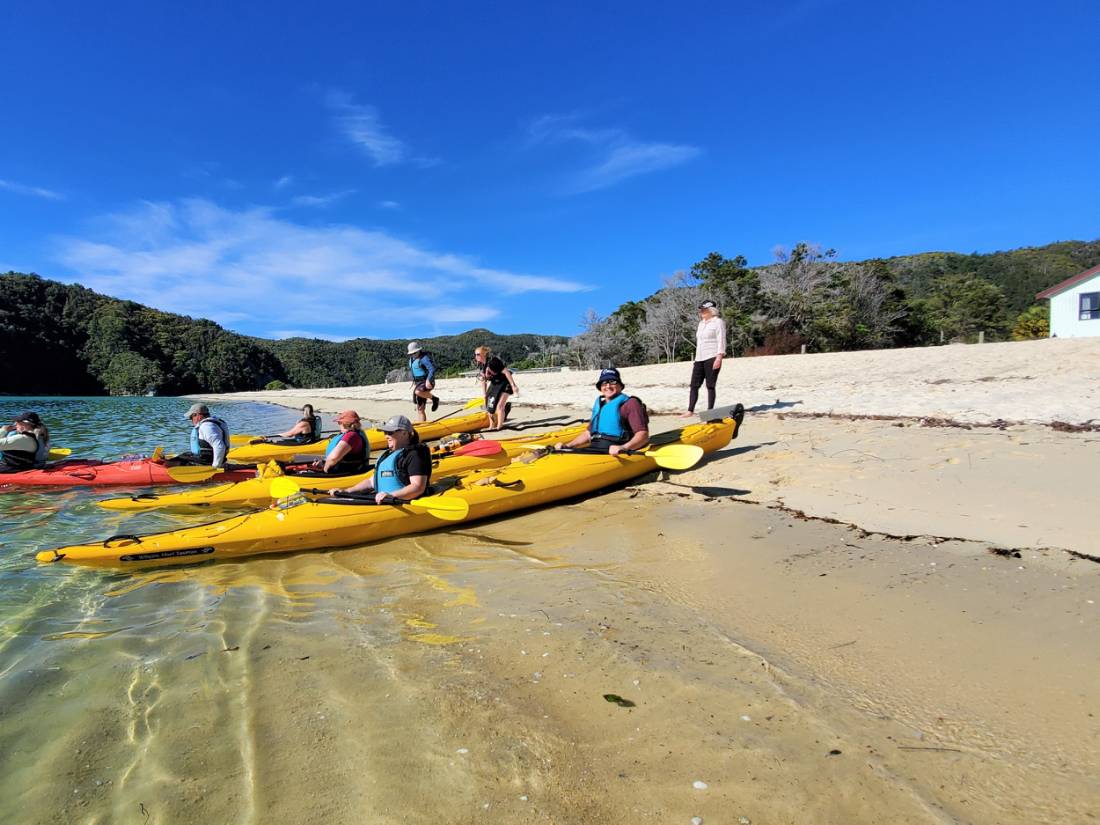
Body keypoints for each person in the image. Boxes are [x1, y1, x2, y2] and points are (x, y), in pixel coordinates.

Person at [333, 415, 431, 503]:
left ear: (404, 433)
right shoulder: (389, 454)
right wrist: (347, 491)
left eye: (390, 432)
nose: (386, 436)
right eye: (385, 432)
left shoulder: (415, 455)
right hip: (384, 500)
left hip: (400, 501)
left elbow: (418, 487)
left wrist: (392, 496)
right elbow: (372, 482)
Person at [555, 368, 649, 456]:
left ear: (620, 386)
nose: (608, 386)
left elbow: (643, 435)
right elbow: (588, 433)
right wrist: (568, 445)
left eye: (612, 382)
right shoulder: (601, 405)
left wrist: (624, 447)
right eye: (604, 383)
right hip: (596, 448)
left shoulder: (631, 403)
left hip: (616, 450)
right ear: (600, 388)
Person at [681, 300, 727, 417]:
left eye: (704, 310)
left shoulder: (718, 322)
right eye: (701, 310)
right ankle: (690, 410)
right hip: (699, 357)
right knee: (694, 385)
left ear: (712, 311)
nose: (702, 312)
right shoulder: (701, 323)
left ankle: (710, 411)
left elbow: (721, 340)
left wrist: (719, 357)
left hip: (712, 356)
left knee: (710, 385)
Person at [309, 410, 369, 475]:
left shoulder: (351, 436)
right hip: (345, 469)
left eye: (339, 423)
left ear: (343, 423)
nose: (338, 425)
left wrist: (324, 470)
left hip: (345, 473)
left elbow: (333, 458)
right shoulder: (355, 433)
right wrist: (323, 463)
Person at [474, 346, 519, 430]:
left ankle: (499, 426)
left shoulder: (493, 361)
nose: (476, 356)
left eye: (478, 354)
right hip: (495, 383)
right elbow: (483, 380)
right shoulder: (482, 365)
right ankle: (491, 426)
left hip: (505, 382)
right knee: (489, 406)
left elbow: (506, 372)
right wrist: (484, 394)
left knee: (500, 406)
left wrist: (513, 385)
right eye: (475, 354)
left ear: (484, 354)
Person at [179, 403, 231, 467]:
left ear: (198, 415)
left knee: (171, 462)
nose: (191, 420)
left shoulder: (206, 426)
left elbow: (219, 446)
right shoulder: (214, 422)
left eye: (191, 417)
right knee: (184, 455)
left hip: (207, 462)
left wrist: (215, 467)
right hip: (208, 458)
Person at [407, 341, 439, 422]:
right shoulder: (411, 359)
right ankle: (422, 425)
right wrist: (414, 382)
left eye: (414, 353)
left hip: (427, 381)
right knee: (420, 409)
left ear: (418, 351)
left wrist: (428, 380)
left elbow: (432, 369)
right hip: (418, 383)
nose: (413, 355)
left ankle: (435, 399)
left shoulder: (424, 358)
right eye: (411, 353)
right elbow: (415, 371)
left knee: (417, 392)